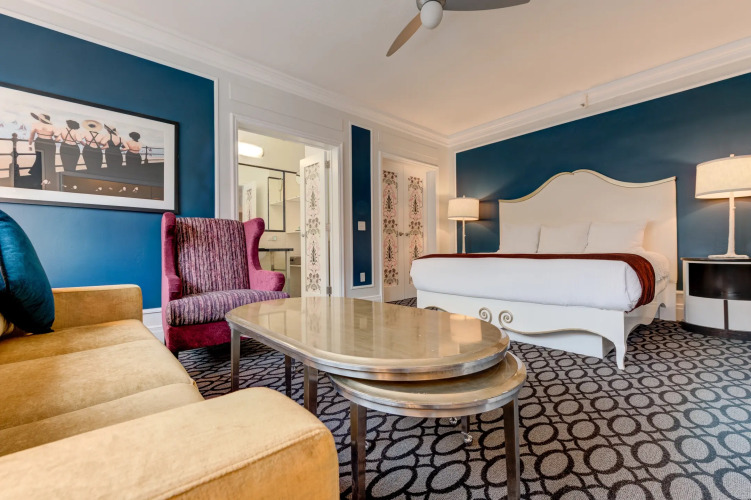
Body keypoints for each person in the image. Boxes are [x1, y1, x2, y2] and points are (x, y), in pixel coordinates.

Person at [23, 112, 56, 189]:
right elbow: (58, 138)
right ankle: (48, 179)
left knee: (39, 159)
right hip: (50, 143)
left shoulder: (35, 125)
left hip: (39, 142)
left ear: (41, 119)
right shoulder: (52, 127)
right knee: (50, 161)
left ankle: (38, 179)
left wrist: (29, 145)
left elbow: (31, 136)